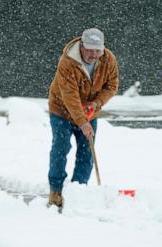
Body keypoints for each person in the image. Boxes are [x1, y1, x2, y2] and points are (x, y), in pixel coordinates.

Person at [48, 28, 119, 208]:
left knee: (87, 152)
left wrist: (96, 103)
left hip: (89, 111)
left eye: (98, 50)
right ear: (82, 46)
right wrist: (82, 122)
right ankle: (55, 190)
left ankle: (79, 190)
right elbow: (69, 97)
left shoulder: (108, 59)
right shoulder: (68, 62)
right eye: (90, 50)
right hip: (62, 111)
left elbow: (112, 86)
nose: (94, 54)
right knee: (60, 148)